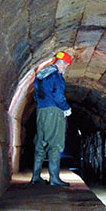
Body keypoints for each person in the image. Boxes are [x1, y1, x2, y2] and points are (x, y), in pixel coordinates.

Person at [30, 51, 73, 186]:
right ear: (64, 64)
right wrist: (66, 108)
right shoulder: (56, 76)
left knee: (40, 144)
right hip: (53, 111)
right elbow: (58, 95)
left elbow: (36, 94)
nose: (65, 68)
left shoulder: (42, 74)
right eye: (66, 65)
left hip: (41, 111)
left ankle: (35, 177)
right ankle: (54, 179)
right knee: (55, 144)